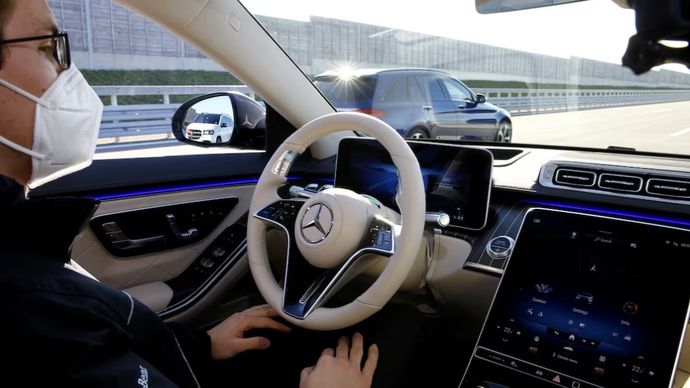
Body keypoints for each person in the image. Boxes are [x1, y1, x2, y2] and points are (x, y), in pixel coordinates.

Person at [0, 1, 380, 387]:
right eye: (50, 47)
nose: (69, 70)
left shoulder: (25, 260)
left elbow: (108, 343)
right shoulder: (27, 303)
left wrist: (196, 346)